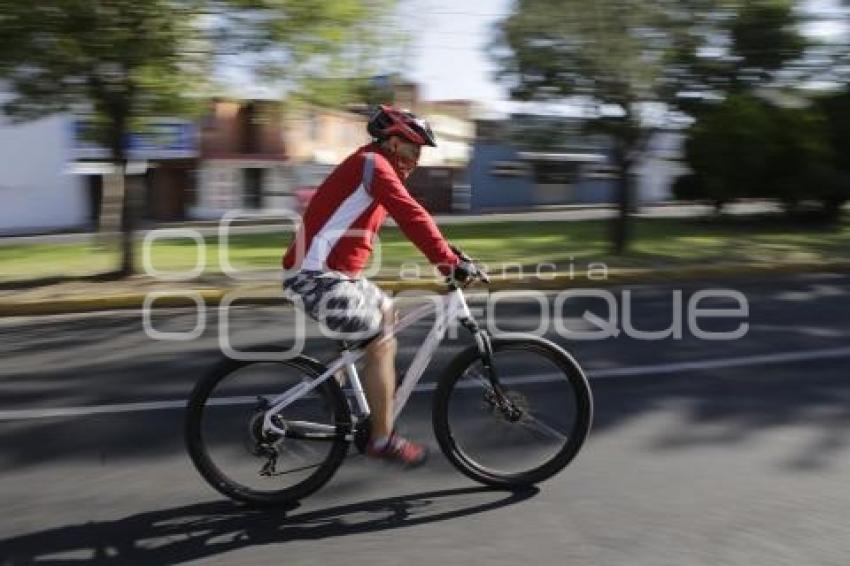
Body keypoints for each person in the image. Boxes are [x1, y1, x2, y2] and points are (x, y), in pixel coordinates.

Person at [281, 104, 474, 467]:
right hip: (314, 277)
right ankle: (382, 440)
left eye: (419, 152)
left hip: (337, 275)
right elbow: (411, 215)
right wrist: (447, 262)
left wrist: (449, 253)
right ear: (392, 140)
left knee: (387, 311)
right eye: (412, 148)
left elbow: (400, 221)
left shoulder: (372, 168)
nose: (416, 159)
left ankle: (336, 385)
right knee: (380, 343)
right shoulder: (373, 164)